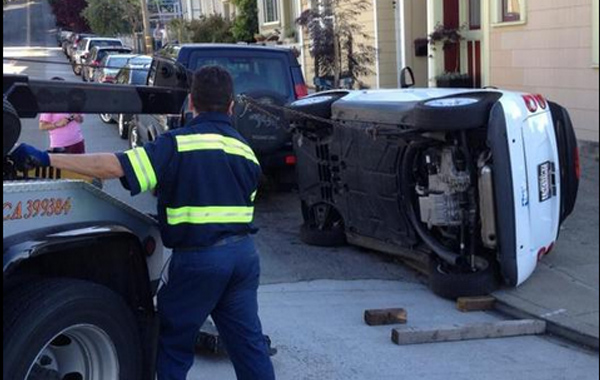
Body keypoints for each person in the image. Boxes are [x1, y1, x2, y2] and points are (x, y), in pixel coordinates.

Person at [12, 66, 276, 380]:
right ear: (231, 105)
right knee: (249, 348)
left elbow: (113, 166)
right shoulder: (246, 151)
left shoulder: (177, 144)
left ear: (191, 102)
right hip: (244, 259)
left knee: (173, 346)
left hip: (199, 262)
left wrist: (46, 159)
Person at [38, 77, 85, 154]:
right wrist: (57, 124)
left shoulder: (73, 101)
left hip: (77, 142)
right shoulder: (50, 104)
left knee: (81, 165)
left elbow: (81, 120)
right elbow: (42, 126)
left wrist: (77, 117)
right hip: (59, 146)